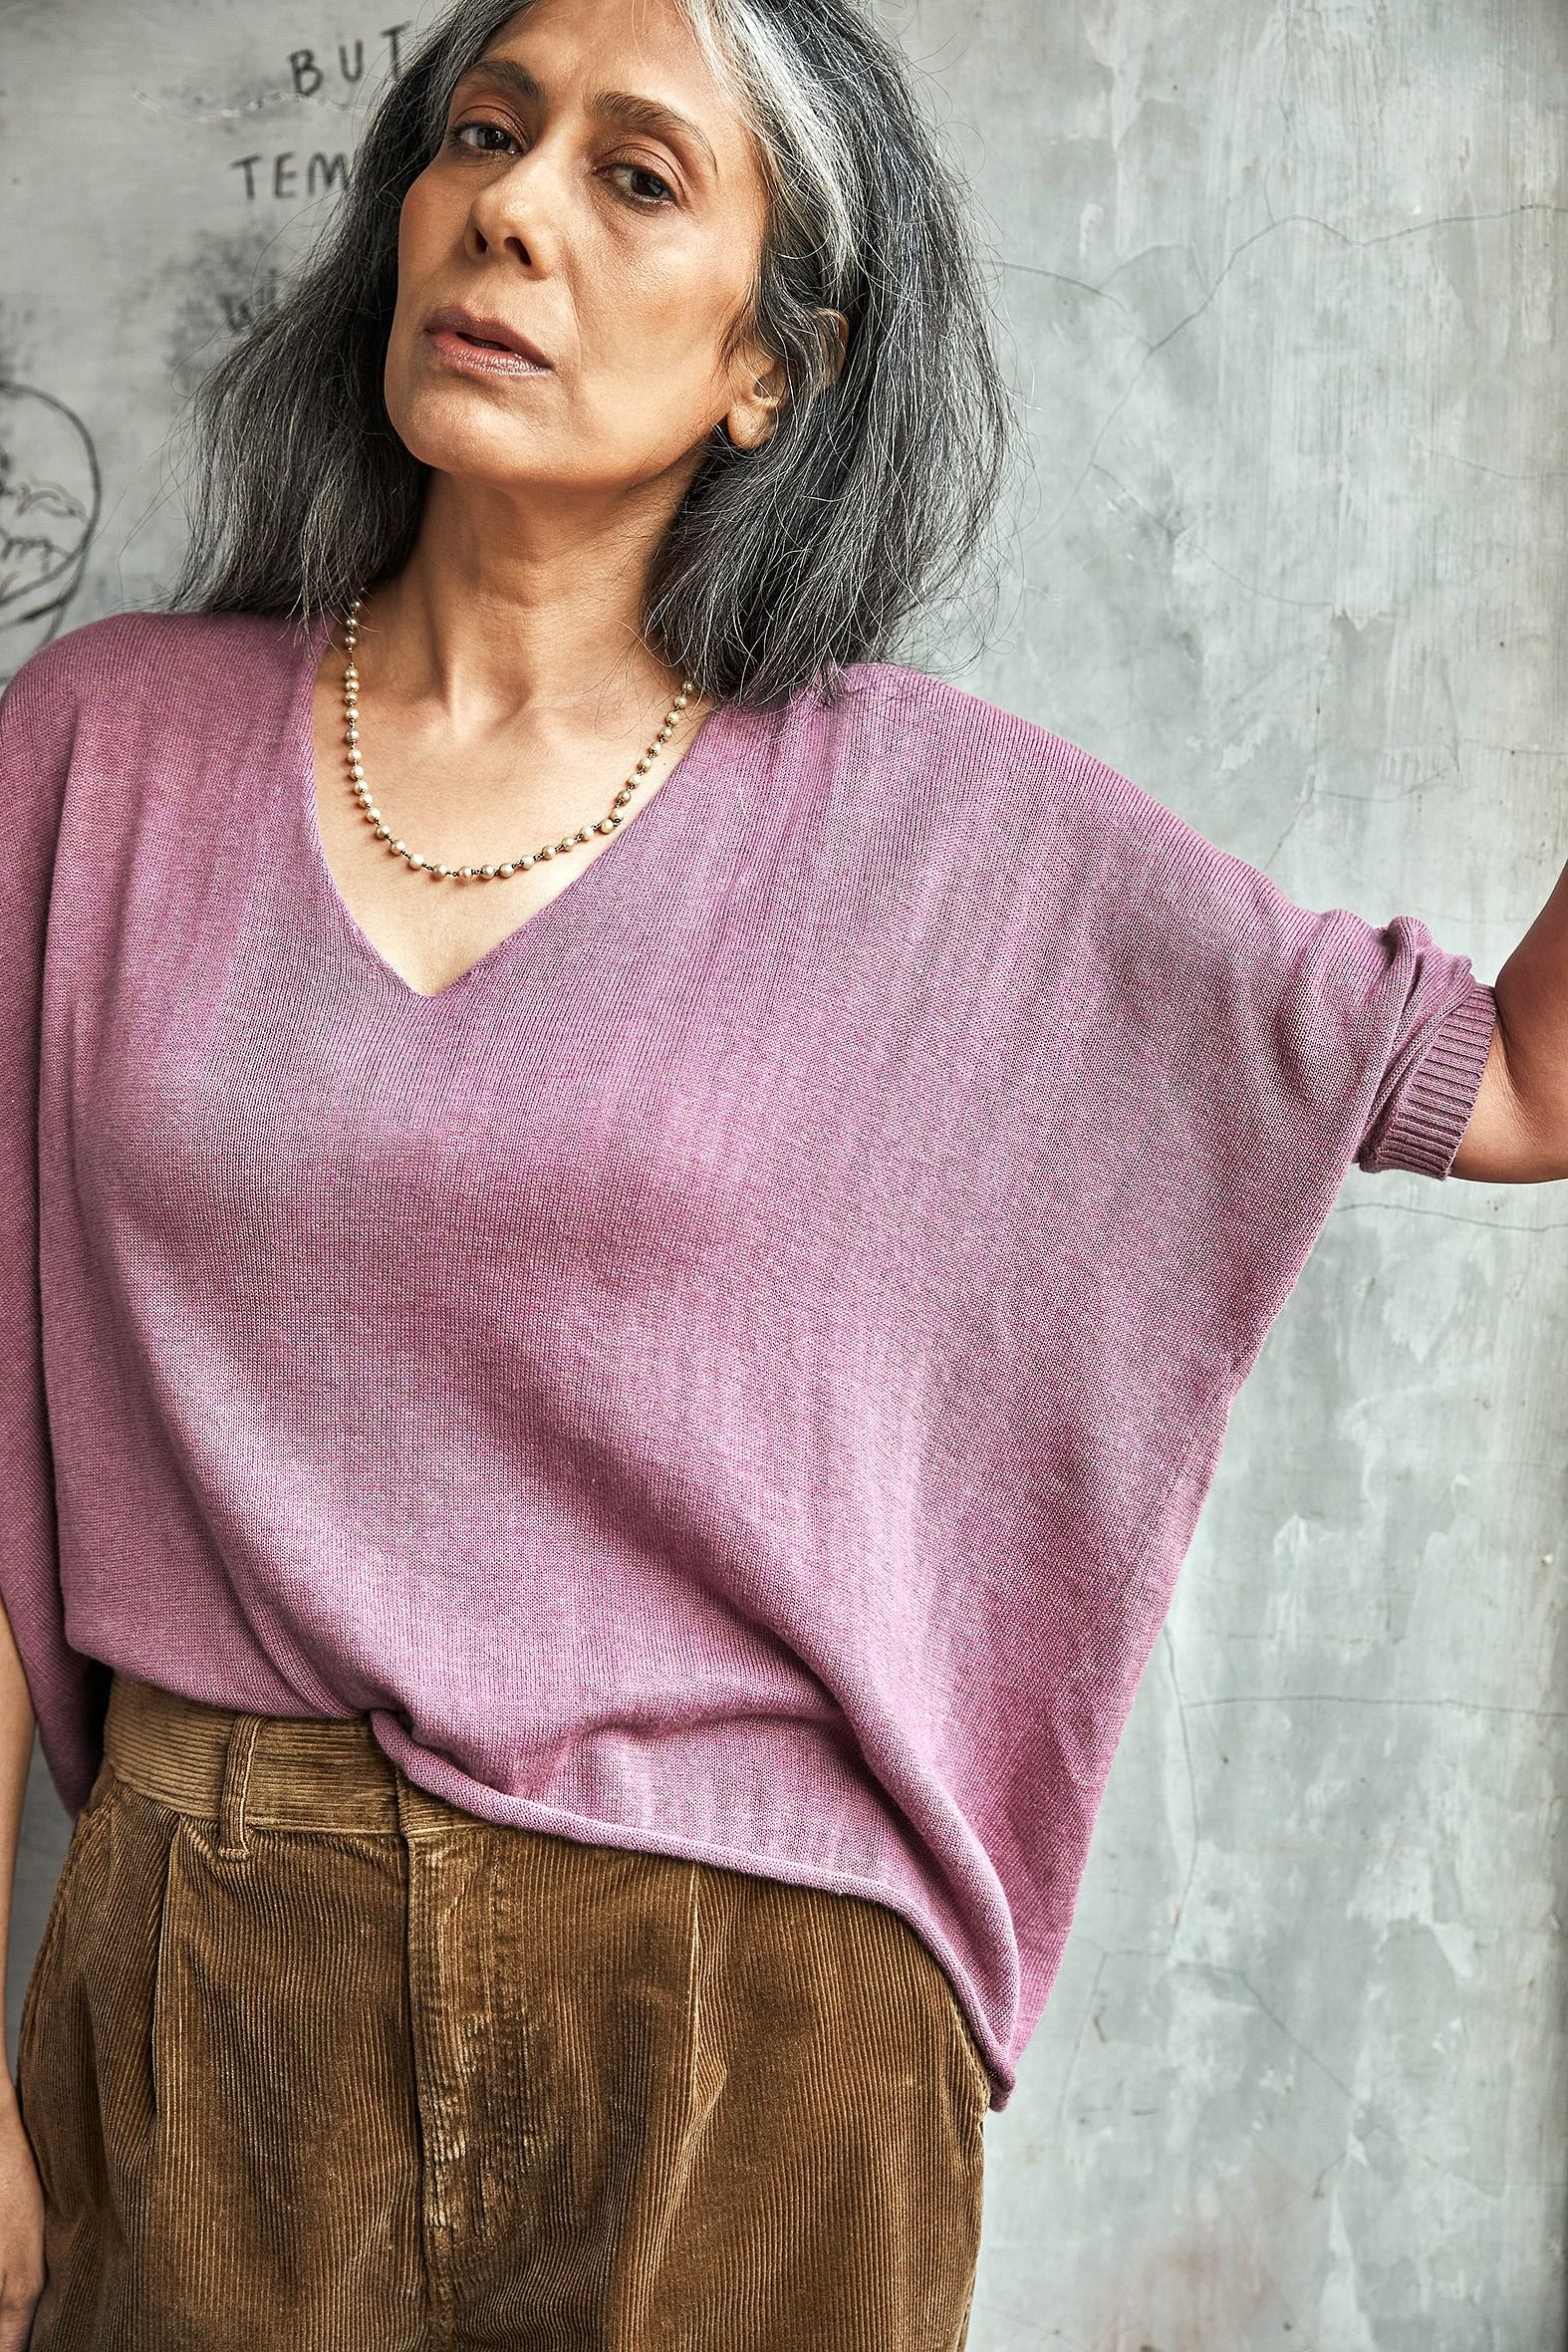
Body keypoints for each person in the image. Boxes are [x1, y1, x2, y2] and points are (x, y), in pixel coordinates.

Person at [0, 0, 1562, 2344]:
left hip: (752, 2032)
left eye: (634, 175)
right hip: (213, 1984)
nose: (509, 208)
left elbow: (1518, 1089)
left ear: (771, 365)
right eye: (481, 134)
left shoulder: (939, 826)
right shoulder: (90, 754)